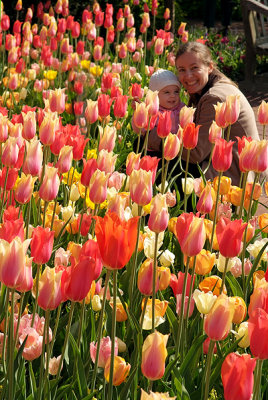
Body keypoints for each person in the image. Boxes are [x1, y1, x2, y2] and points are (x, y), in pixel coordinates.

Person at [175, 41, 261, 187]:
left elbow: (195, 154)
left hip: (230, 178)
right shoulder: (216, 86)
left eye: (194, 68)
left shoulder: (214, 97)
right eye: (182, 69)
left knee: (159, 162)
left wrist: (159, 137)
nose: (188, 76)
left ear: (209, 67)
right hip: (236, 170)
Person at [145, 69, 184, 154]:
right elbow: (141, 128)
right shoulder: (152, 111)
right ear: (155, 95)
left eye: (176, 92)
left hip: (177, 149)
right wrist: (139, 112)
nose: (173, 96)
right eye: (167, 92)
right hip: (156, 149)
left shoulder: (183, 109)